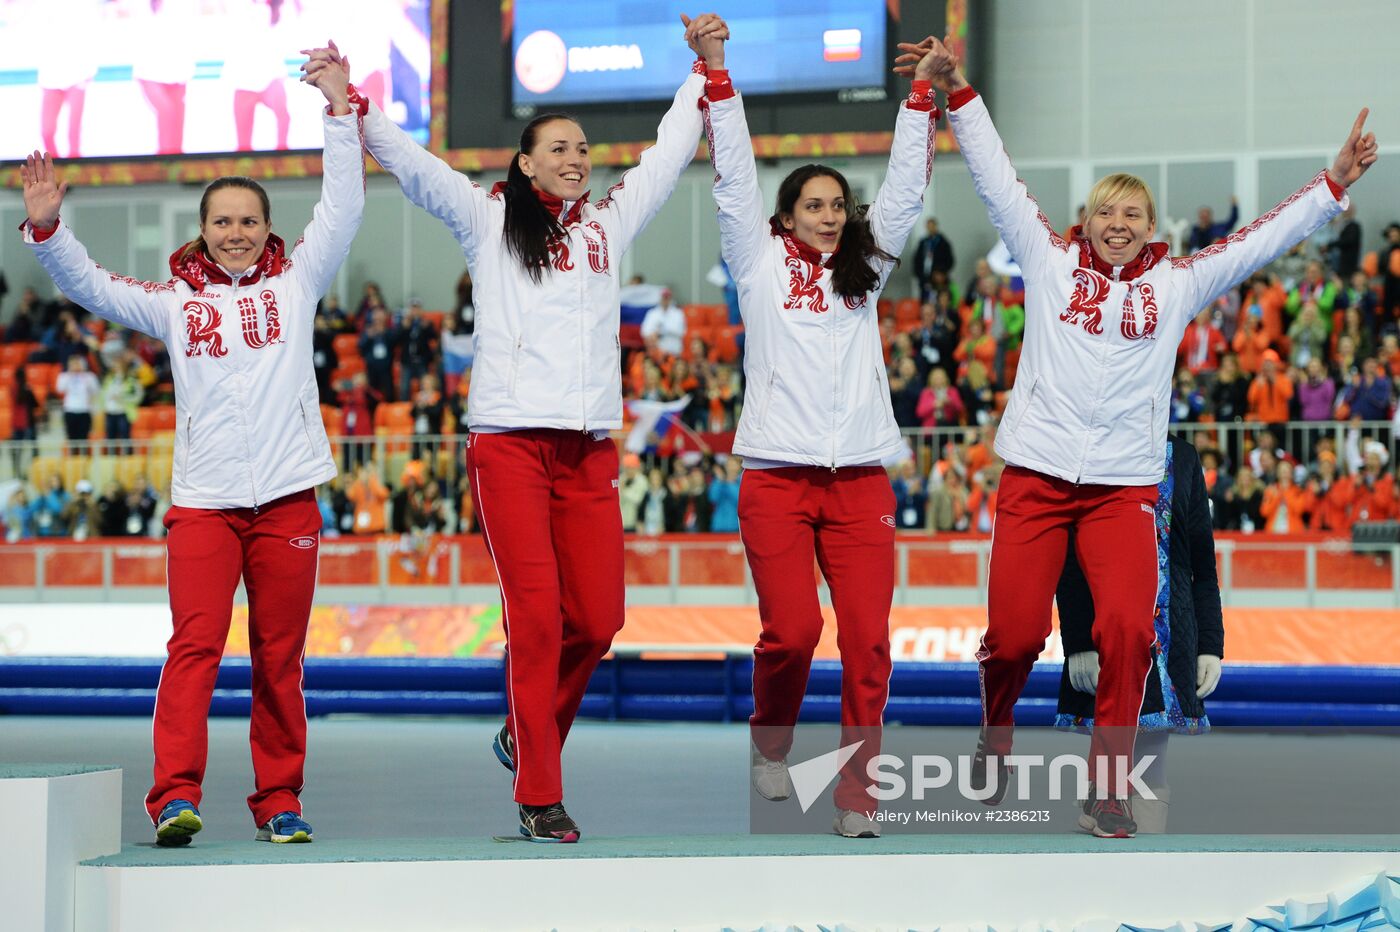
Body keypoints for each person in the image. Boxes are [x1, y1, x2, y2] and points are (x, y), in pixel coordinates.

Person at [918, 33, 1373, 837]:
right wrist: (960, 95)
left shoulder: (1179, 283)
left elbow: (1264, 238)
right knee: (1016, 637)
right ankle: (996, 729)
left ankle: (1108, 785)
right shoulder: (1046, 258)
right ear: (1084, 221)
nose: (1118, 224)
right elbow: (995, 178)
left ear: (1150, 226)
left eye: (1133, 214)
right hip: (1035, 479)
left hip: (1123, 487)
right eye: (1105, 211)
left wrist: (1331, 186)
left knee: (1128, 628)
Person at [304, 17, 708, 843]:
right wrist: (353, 106)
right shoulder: (486, 218)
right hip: (510, 447)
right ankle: (539, 794)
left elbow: (668, 156)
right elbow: (415, 169)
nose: (574, 157)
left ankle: (523, 736)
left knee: (598, 622)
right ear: (525, 163)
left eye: (582, 147)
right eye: (556, 147)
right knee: (535, 618)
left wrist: (705, 74)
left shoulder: (608, 225)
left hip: (589, 448)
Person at [20, 50, 362, 847]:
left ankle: (279, 800)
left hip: (287, 501)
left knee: (281, 659)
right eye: (222, 223)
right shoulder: (174, 305)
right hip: (205, 504)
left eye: (249, 221)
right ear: (201, 234)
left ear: (268, 229)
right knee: (195, 647)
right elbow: (94, 288)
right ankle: (174, 796)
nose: (236, 233)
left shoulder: (298, 281)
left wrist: (340, 114)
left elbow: (342, 208)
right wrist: (47, 231)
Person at [704, 23, 940, 839]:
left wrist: (920, 102)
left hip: (861, 478)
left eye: (839, 205)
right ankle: (771, 739)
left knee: (870, 641)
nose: (830, 216)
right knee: (795, 630)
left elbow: (906, 193)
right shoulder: (756, 261)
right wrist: (718, 76)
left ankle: (859, 797)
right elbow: (734, 179)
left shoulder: (863, 272)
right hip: (775, 475)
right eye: (814, 205)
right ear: (787, 215)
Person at [1056, 437, 1223, 834]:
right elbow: (1068, 549)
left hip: (1172, 625)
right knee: (1127, 721)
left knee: (1153, 736)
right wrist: (1079, 639)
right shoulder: (1088, 446)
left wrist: (1210, 644)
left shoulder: (1181, 457)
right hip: (1108, 616)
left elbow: (1201, 555)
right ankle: (1107, 802)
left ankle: (1133, 838)